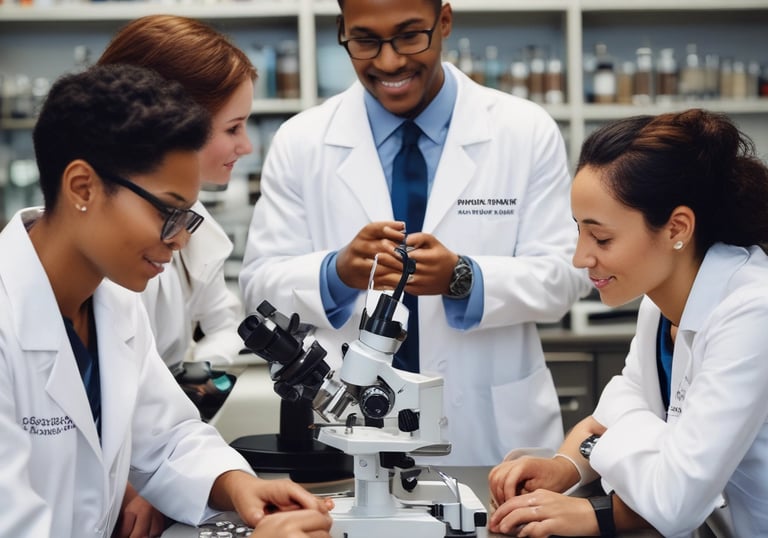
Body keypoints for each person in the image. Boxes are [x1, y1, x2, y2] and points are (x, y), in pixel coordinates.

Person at [239, 0, 590, 466]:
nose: (389, 62)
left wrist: (463, 277)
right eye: (365, 40)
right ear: (342, 31)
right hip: (348, 432)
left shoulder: (524, 131)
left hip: (491, 435)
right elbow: (258, 287)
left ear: (443, 21)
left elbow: (568, 274)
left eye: (409, 36)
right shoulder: (301, 140)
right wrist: (336, 272)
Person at [0, 63, 331, 537]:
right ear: (82, 187)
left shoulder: (112, 300)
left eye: (189, 217)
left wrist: (237, 486)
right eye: (167, 211)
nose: (179, 241)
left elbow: (166, 438)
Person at [488, 109, 768, 537]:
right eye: (579, 231)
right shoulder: (660, 301)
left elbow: (675, 503)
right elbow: (608, 415)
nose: (581, 257)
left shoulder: (752, 310)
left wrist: (598, 505)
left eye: (601, 238)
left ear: (677, 228)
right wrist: (562, 468)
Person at [98, 15, 256, 375]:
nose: (246, 146)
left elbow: (224, 322)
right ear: (167, 125)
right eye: (233, 128)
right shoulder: (98, 237)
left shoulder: (188, 215)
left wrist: (192, 381)